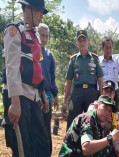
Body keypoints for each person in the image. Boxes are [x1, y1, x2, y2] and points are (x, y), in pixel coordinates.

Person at [2, 0, 50, 156]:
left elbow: (37, 68)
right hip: (19, 96)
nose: (42, 15)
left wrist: (43, 95)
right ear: (28, 8)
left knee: (42, 145)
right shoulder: (14, 31)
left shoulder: (34, 35)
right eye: (39, 10)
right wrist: (15, 102)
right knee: (23, 148)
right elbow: (12, 67)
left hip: (33, 96)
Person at [62, 30, 104, 130]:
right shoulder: (73, 60)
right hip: (78, 92)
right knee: (72, 119)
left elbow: (100, 80)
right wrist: (64, 100)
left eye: (84, 40)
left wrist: (101, 98)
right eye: (79, 41)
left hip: (92, 92)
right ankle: (70, 143)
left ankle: (93, 143)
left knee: (92, 119)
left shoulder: (95, 58)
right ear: (77, 43)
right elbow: (68, 82)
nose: (82, 43)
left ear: (88, 42)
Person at [38, 23, 59, 156]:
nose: (44, 39)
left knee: (46, 126)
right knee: (36, 126)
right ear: (37, 34)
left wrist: (55, 95)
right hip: (34, 95)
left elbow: (52, 76)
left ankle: (47, 153)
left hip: (48, 96)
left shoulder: (49, 54)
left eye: (47, 36)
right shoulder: (31, 50)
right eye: (42, 35)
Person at [99, 37, 119, 110]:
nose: (109, 50)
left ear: (112, 48)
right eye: (106, 48)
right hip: (101, 93)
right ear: (102, 48)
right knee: (100, 115)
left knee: (113, 116)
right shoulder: (98, 61)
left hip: (113, 93)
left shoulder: (117, 61)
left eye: (110, 47)